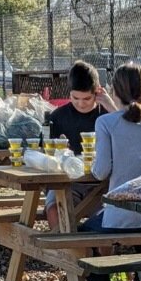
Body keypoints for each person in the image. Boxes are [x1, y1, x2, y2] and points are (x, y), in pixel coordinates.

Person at [78, 62, 141, 281]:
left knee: (83, 231)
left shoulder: (105, 122)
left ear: (114, 90)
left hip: (119, 216)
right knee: (139, 225)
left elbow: (101, 172)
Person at [45, 61, 117, 231]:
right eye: (75, 98)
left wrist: (110, 105)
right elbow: (47, 151)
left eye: (87, 98)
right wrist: (59, 151)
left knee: (107, 217)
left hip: (100, 184)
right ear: (69, 94)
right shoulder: (58, 116)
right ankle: (63, 251)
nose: (81, 103)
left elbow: (127, 132)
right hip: (67, 183)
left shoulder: (107, 115)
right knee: (54, 209)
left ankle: (103, 254)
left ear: (97, 92)